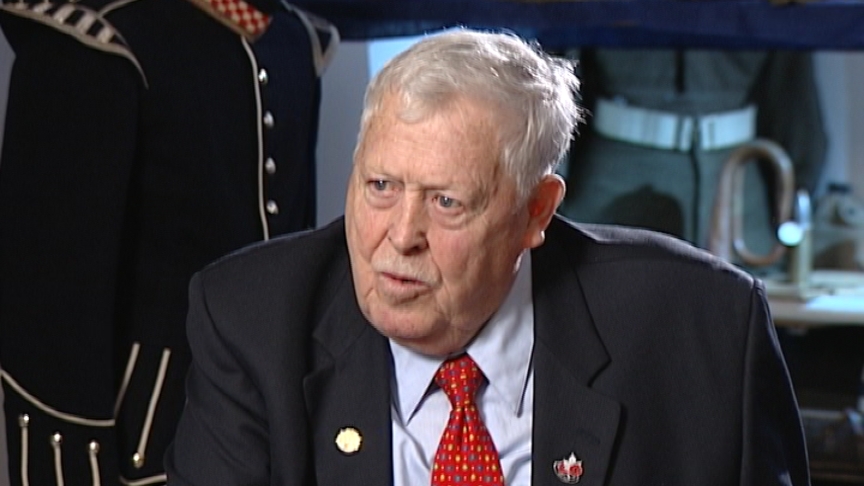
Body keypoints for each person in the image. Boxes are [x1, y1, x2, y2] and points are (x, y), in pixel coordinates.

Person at [166, 29, 809, 485]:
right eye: (381, 186)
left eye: (447, 201)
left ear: (536, 212)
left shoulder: (706, 327)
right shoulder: (250, 321)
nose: (401, 235)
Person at [0, 0, 336, 484]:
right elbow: (49, 301)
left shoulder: (293, 40)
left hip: (272, 428)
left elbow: (294, 259)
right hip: (147, 435)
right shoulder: (103, 40)